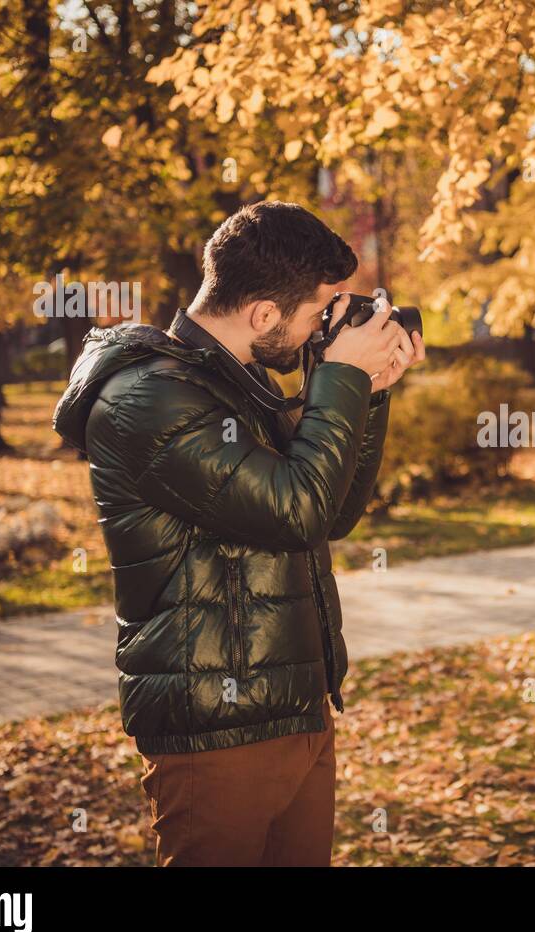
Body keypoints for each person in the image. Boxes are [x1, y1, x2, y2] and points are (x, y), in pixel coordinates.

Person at [53, 200, 424, 865]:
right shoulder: (150, 397)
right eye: (319, 315)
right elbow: (296, 508)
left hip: (294, 705)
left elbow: (330, 515)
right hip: (218, 734)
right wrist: (341, 376)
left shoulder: (239, 384)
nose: (322, 333)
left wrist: (366, 391)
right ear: (262, 314)